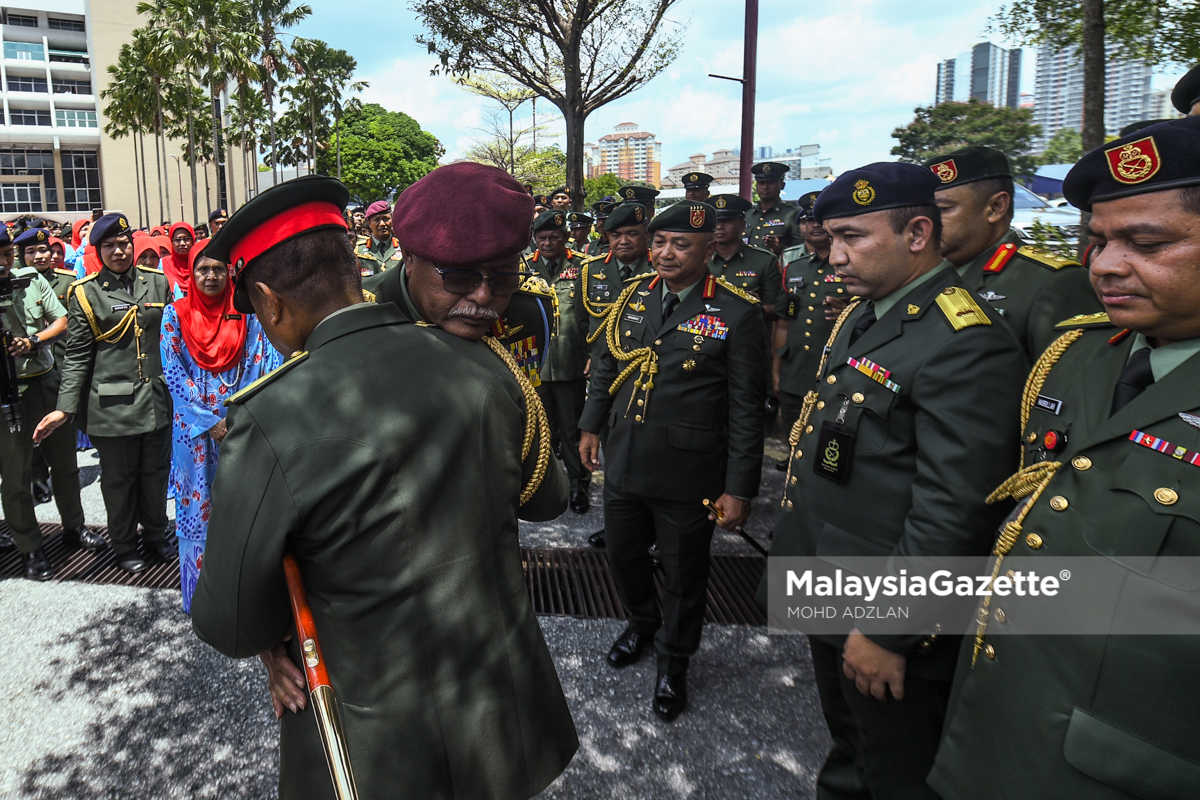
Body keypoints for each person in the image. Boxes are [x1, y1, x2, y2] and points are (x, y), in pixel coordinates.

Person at [190, 169, 577, 800]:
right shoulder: (482, 366)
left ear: (267, 301)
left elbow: (227, 621)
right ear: (358, 268)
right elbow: (550, 497)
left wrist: (269, 642)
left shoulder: (270, 414)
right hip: (501, 716)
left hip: (376, 744)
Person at [929, 115, 1200, 800]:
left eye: (1146, 242)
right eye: (1098, 239)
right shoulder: (1077, 354)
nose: (1104, 265)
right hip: (994, 723)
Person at [763, 162, 1027, 799]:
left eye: (853, 238)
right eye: (830, 241)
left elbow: (955, 507)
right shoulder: (872, 311)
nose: (835, 258)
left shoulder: (964, 340)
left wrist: (888, 627)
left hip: (887, 603)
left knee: (894, 772)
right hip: (837, 576)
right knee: (851, 748)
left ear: (916, 233)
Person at [579, 200, 766, 721]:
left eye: (680, 244)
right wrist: (590, 425)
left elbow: (747, 409)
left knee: (686, 574)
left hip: (689, 472)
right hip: (625, 458)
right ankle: (641, 622)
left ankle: (673, 661)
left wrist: (740, 488)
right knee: (623, 554)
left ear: (709, 249)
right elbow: (605, 363)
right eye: (658, 242)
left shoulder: (736, 312)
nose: (664, 253)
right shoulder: (634, 295)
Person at [34, 214, 175, 574]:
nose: (119, 251)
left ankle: (157, 535)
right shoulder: (86, 292)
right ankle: (126, 544)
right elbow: (78, 357)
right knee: (119, 481)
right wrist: (65, 409)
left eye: (124, 243)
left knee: (155, 475)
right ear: (98, 250)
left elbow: (173, 340)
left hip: (157, 400)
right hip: (112, 407)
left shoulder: (158, 284)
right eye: (109, 245)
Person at [160, 239, 282, 612]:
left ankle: (243, 595)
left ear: (229, 272)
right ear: (190, 274)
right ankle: (200, 596)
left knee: (244, 505)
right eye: (202, 269)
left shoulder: (246, 312)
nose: (210, 276)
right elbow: (174, 372)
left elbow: (263, 360)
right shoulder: (174, 313)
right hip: (195, 433)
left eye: (217, 269)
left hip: (240, 427)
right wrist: (208, 420)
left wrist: (237, 415)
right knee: (197, 511)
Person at [923, 145, 1103, 358]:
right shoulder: (926, 274)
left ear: (996, 207)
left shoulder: (1053, 283)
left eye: (942, 209)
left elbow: (1068, 380)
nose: (926, 222)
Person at [0, 228, 99, 579]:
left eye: (8, 253)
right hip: (9, 394)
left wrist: (32, 340)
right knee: (17, 475)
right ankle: (29, 546)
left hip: (46, 380)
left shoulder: (29, 279)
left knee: (65, 463)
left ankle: (74, 527)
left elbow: (62, 319)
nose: (4, 262)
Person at [579, 200, 653, 549]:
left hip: (648, 380)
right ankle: (618, 529)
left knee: (649, 458)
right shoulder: (591, 270)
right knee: (613, 455)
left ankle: (654, 535)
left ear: (647, 236)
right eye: (615, 234)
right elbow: (581, 323)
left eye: (632, 234)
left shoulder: (662, 270)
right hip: (605, 376)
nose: (623, 241)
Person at [773, 191, 851, 469]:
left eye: (820, 219)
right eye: (807, 219)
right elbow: (783, 321)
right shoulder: (794, 268)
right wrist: (776, 367)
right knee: (794, 417)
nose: (814, 225)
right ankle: (795, 459)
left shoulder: (851, 264)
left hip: (834, 363)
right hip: (796, 364)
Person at [16, 229, 88, 506]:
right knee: (29, 441)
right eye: (31, 252)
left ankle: (72, 520)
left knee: (61, 439)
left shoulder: (68, 281)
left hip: (60, 365)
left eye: (43, 250)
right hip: (30, 371)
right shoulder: (16, 284)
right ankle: (36, 478)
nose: (39, 256)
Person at [529, 210, 590, 514]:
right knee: (541, 430)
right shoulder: (525, 268)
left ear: (565, 236)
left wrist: (592, 354)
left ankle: (579, 486)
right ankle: (545, 486)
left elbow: (592, 315)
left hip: (570, 362)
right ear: (535, 239)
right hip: (535, 364)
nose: (548, 242)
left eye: (554, 236)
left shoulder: (584, 267)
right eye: (542, 237)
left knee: (572, 430)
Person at [745, 161, 798, 254]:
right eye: (761, 183)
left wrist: (778, 248)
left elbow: (800, 250)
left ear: (782, 185)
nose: (765, 187)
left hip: (777, 266)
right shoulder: (747, 213)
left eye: (771, 182)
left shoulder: (793, 213)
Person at [354, 200, 401, 276]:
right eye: (377, 220)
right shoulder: (358, 250)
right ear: (369, 223)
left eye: (386, 219)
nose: (382, 224)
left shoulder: (402, 247)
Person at [165, 221, 195, 292]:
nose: (182, 243)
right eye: (177, 240)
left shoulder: (200, 262)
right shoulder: (163, 264)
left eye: (186, 239)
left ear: (193, 240)